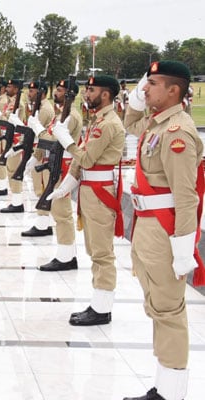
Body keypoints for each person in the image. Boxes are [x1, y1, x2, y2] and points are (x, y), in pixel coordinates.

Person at [121, 61, 204, 400]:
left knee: (168, 310)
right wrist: (140, 100)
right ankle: (164, 385)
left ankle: (171, 393)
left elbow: (187, 197)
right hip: (148, 227)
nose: (145, 88)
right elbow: (130, 123)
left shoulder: (177, 133)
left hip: (165, 231)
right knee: (157, 306)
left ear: (173, 91)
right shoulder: (158, 124)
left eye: (152, 84)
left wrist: (184, 250)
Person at [48, 75, 125, 326]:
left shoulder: (108, 124)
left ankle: (102, 309)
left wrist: (66, 141)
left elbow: (87, 158)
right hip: (90, 189)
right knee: (94, 249)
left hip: (100, 192)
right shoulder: (98, 120)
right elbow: (84, 162)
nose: (86, 94)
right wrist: (67, 185)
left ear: (105, 95)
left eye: (91, 90)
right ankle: (98, 303)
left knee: (102, 252)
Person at [36, 79, 82, 271]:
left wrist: (38, 131)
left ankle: (66, 257)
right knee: (57, 211)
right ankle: (65, 253)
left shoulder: (70, 116)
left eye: (61, 90)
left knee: (62, 213)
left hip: (64, 167)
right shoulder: (60, 115)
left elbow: (55, 141)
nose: (56, 92)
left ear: (70, 94)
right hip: (55, 164)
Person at [17, 81, 55, 236]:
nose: (29, 93)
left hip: (41, 151)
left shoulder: (45, 109)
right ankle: (42, 223)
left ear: (42, 93)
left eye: (33, 91)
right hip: (37, 150)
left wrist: (35, 156)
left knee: (41, 188)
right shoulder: (38, 108)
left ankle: (43, 225)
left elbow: (41, 135)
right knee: (38, 187)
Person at [0, 79, 27, 213]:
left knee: (14, 171)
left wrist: (0, 115)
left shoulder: (18, 103)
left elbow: (9, 118)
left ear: (16, 89)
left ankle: (17, 202)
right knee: (10, 169)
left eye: (10, 87)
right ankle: (15, 201)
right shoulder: (11, 102)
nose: (7, 89)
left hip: (15, 140)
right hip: (8, 137)